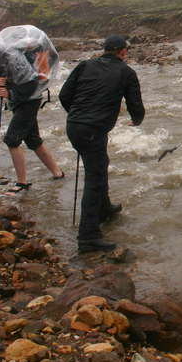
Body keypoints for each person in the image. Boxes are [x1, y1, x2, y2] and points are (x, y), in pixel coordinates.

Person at [59, 35, 145, 253]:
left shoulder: (85, 65)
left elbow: (64, 95)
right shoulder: (126, 72)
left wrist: (79, 115)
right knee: (94, 180)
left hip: (75, 126)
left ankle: (105, 209)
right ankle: (88, 237)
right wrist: (136, 120)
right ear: (122, 52)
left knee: (99, 164)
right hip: (92, 130)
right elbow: (135, 105)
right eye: (126, 50)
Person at [0, 29, 64, 194]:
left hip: (31, 99)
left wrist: (10, 93)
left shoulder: (12, 57)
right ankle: (58, 173)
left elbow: (31, 83)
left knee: (12, 139)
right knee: (33, 140)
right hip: (17, 101)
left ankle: (22, 183)